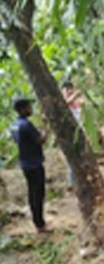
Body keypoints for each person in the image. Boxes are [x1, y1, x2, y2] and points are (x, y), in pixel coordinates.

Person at [11, 98, 51, 233]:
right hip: (34, 164)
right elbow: (41, 139)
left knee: (32, 193)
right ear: (22, 109)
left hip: (25, 163)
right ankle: (40, 223)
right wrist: (45, 126)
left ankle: (37, 221)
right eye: (29, 107)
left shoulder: (15, 125)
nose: (31, 109)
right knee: (38, 194)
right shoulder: (26, 125)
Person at [61, 80, 83, 189]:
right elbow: (66, 103)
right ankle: (71, 182)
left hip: (79, 131)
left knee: (80, 155)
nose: (70, 91)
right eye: (67, 89)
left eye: (71, 88)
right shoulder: (63, 102)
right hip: (70, 133)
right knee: (72, 157)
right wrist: (74, 95)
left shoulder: (76, 101)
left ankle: (78, 180)